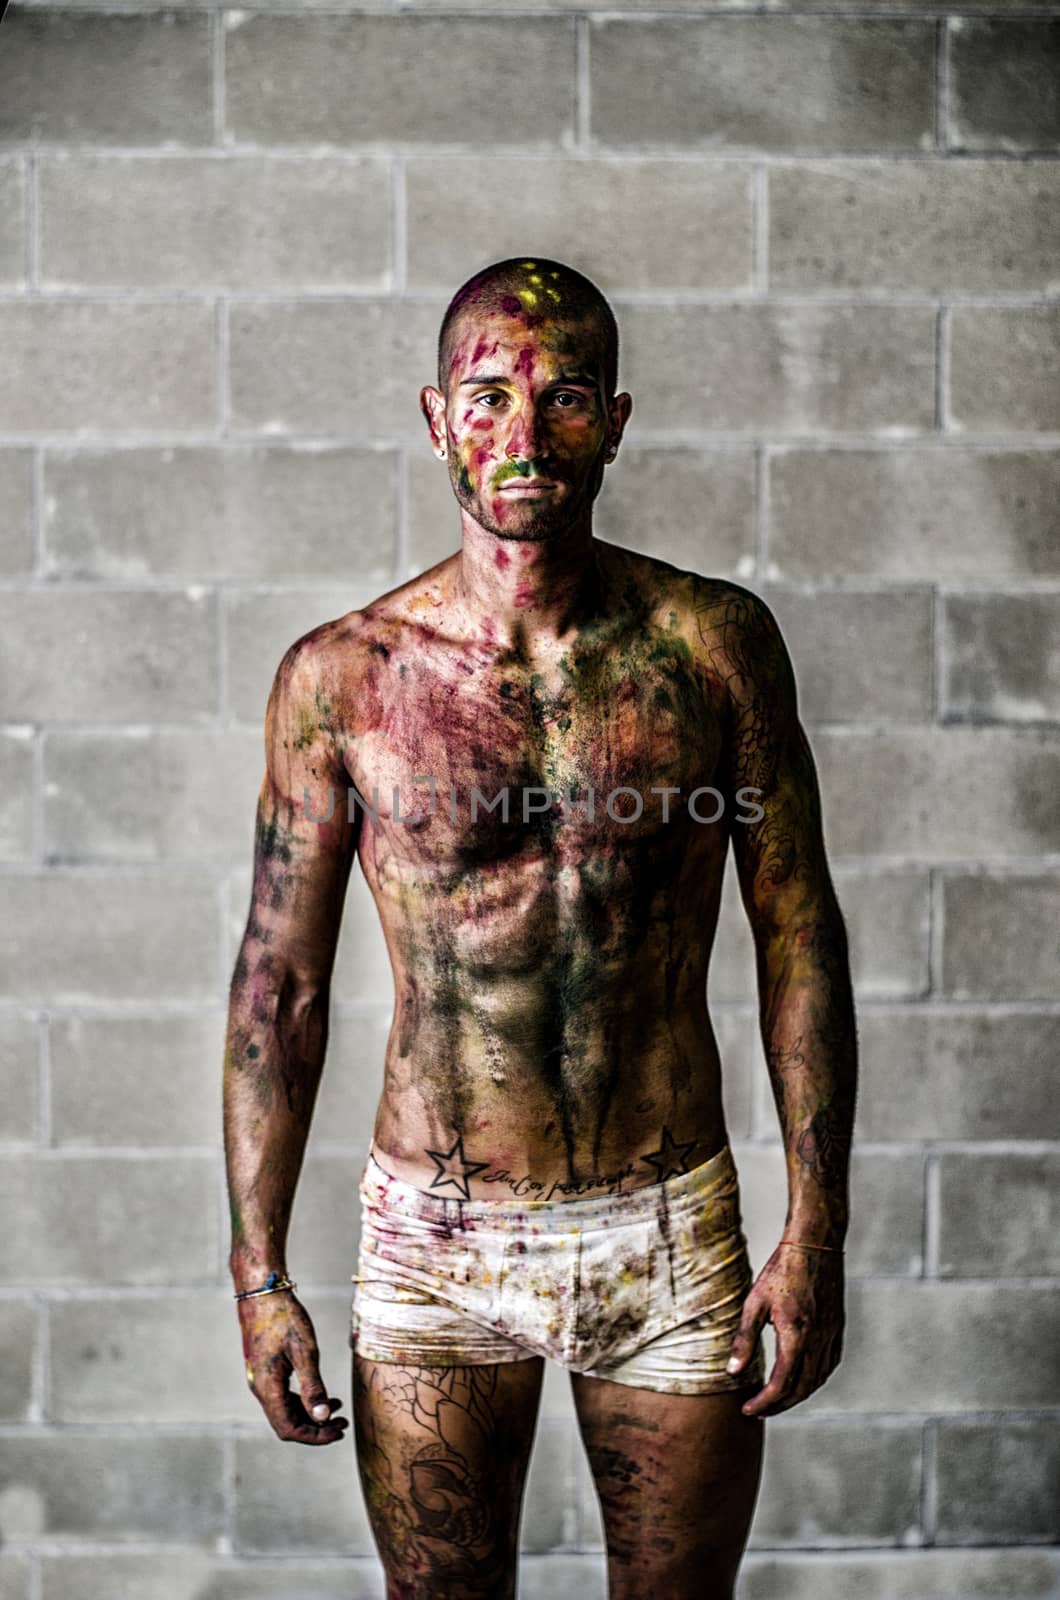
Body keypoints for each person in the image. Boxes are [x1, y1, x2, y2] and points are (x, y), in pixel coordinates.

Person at [223, 256, 858, 1600]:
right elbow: (279, 985)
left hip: (667, 1223)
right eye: (490, 393)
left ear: (615, 422)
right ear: (436, 415)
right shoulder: (342, 681)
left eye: (565, 396)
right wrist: (260, 1270)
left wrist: (818, 1229)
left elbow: (798, 932)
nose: (525, 432)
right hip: (437, 1240)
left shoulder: (714, 647)